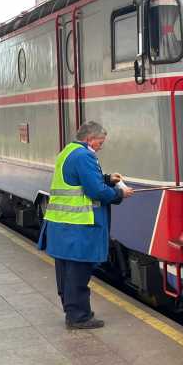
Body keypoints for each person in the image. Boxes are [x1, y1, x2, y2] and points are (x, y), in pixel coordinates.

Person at [38, 121, 133, 329]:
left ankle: (71, 311)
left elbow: (78, 180)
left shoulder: (68, 151)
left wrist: (107, 178)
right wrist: (119, 193)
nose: (101, 146)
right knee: (78, 274)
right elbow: (95, 192)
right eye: (100, 142)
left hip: (61, 225)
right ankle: (79, 316)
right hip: (78, 227)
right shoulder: (85, 156)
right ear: (90, 139)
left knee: (66, 272)